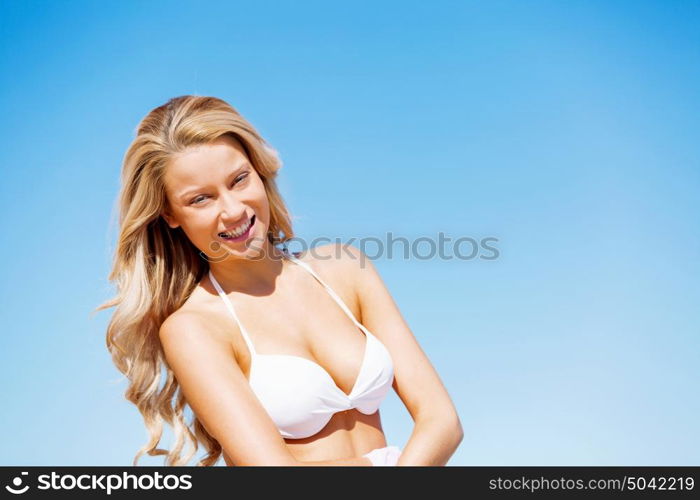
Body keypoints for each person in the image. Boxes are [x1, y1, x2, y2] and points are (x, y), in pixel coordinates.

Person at [96, 95, 463, 466]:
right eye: (201, 199)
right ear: (169, 215)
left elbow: (442, 421)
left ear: (259, 170)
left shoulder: (346, 269)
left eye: (239, 180)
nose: (234, 210)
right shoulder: (194, 328)